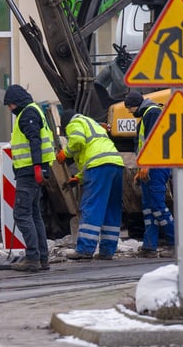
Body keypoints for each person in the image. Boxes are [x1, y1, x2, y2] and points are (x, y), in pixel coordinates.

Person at [56, 109, 125, 260]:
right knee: (111, 208)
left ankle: (85, 249)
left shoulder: (74, 123)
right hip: (116, 164)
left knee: (92, 206)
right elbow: (93, 150)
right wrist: (79, 178)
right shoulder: (92, 124)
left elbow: (78, 141)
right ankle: (107, 250)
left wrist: (65, 153)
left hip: (99, 166)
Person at [2, 84, 53, 272]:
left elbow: (34, 140)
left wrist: (37, 166)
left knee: (22, 214)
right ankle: (42, 257)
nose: (10, 109)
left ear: (18, 102)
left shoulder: (28, 115)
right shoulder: (34, 111)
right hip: (33, 171)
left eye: (10, 105)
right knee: (34, 214)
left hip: (29, 172)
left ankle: (33, 257)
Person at [124, 90, 175, 258]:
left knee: (157, 206)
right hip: (150, 166)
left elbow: (154, 141)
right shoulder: (147, 114)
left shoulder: (152, 112)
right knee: (148, 208)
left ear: (135, 105)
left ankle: (176, 243)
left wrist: (147, 164)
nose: (130, 113)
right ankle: (149, 246)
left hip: (157, 166)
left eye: (130, 109)